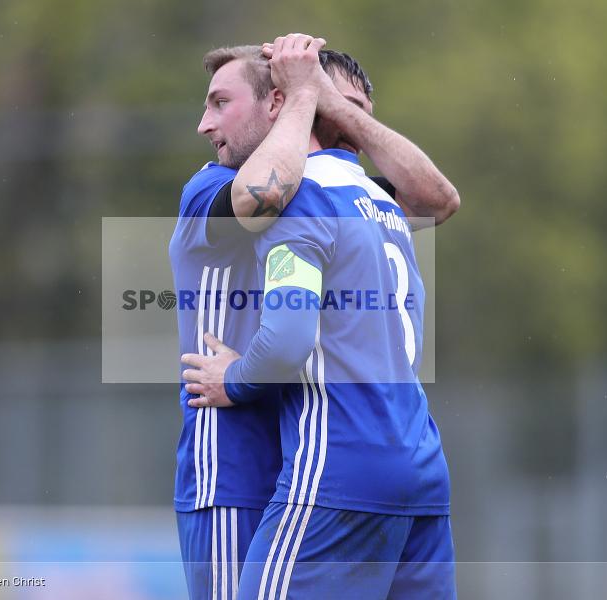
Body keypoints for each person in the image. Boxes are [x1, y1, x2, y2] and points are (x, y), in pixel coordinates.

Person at [171, 34, 458, 600]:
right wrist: (307, 100)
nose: (205, 123)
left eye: (220, 102)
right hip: (236, 469)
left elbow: (437, 200)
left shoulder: (331, 195)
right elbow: (261, 199)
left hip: (315, 463)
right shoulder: (217, 187)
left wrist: (319, 101)